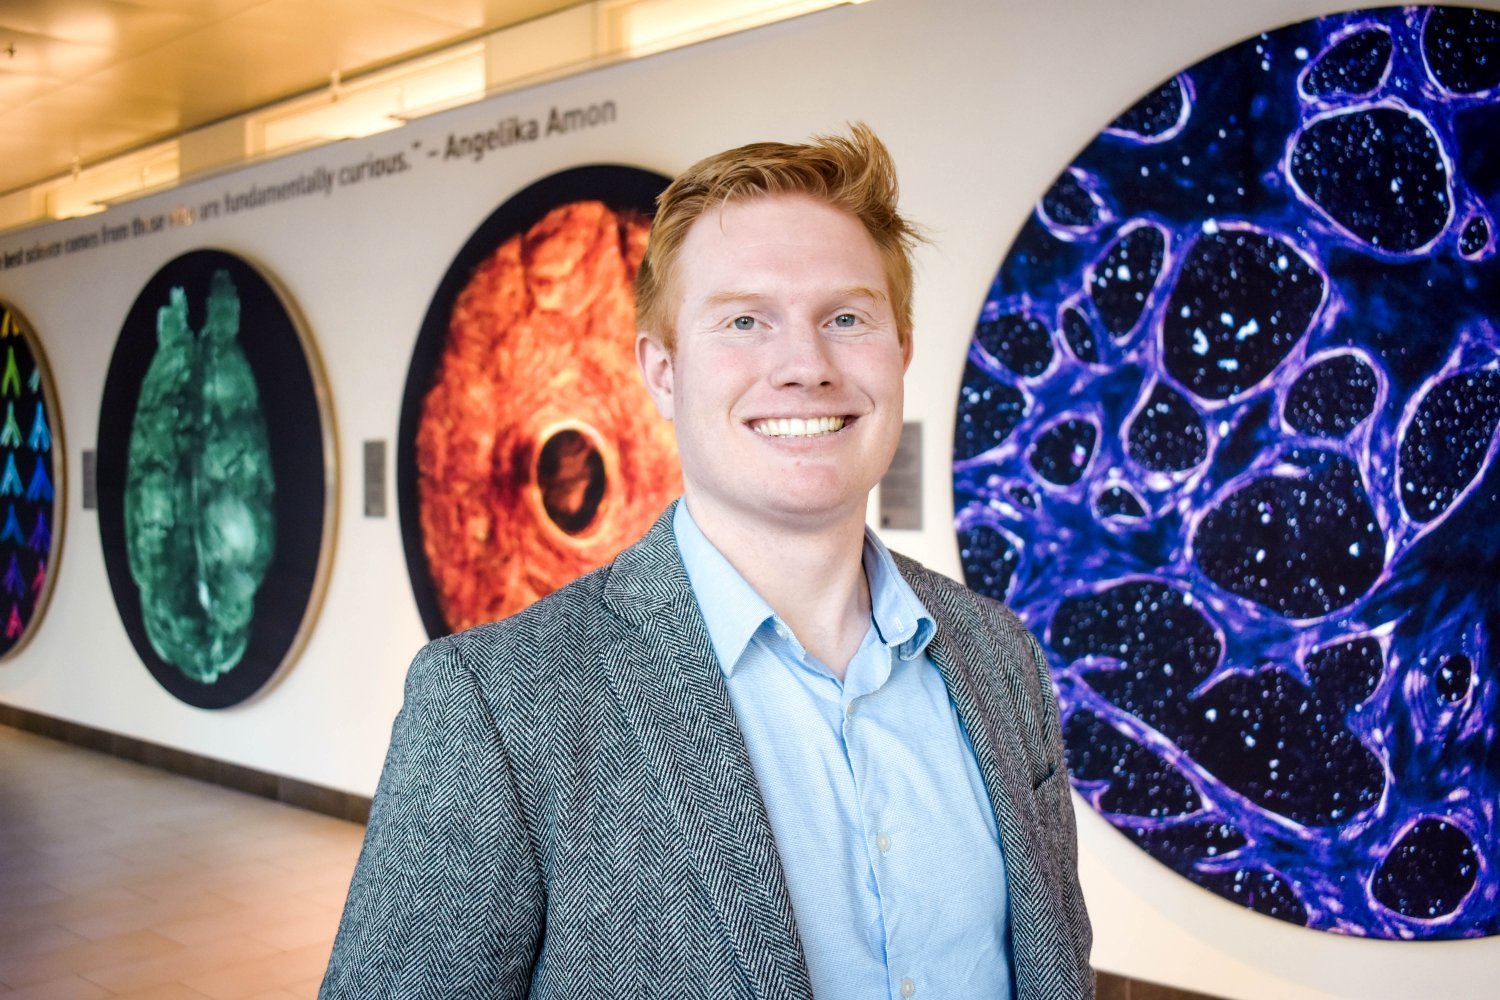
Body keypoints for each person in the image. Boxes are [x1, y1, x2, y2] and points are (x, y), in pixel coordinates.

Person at [321, 124, 1093, 999]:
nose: (805, 366)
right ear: (661, 371)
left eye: (846, 318)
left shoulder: (1001, 659)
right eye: (744, 321)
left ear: (901, 351)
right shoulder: (497, 706)